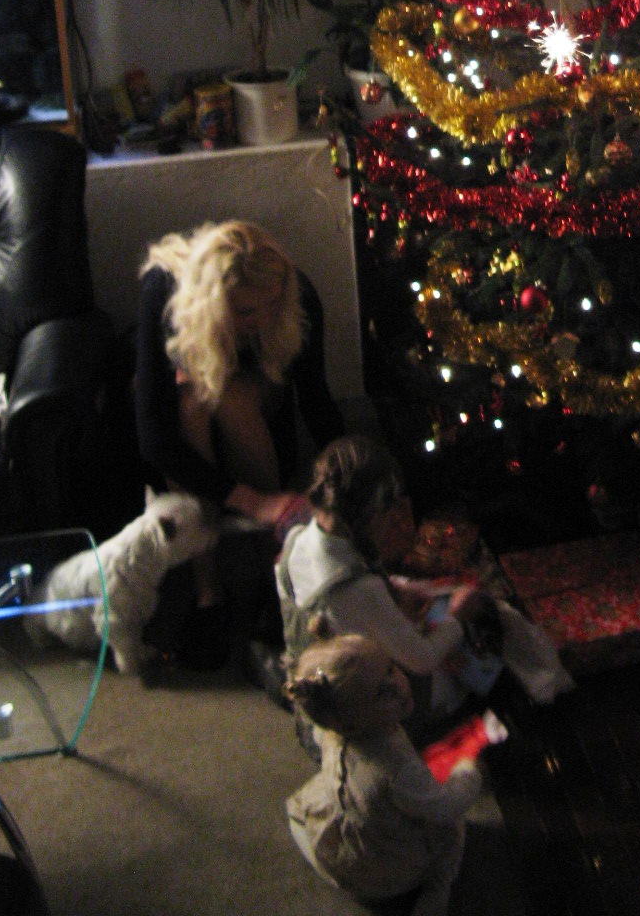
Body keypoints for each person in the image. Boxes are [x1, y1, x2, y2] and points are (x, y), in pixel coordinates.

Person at [134, 220, 346, 662]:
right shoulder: (164, 293)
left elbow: (316, 401)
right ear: (211, 304)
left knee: (230, 397)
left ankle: (276, 571)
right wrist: (250, 500)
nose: (263, 320)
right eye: (247, 312)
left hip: (258, 422)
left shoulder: (297, 296)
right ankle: (207, 589)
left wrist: (351, 473)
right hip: (190, 434)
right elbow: (154, 439)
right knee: (192, 397)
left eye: (272, 304)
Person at [276, 434, 573, 739]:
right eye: (388, 514)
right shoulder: (356, 589)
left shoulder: (298, 540)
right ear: (371, 515)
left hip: (322, 685)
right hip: (365, 708)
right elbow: (422, 659)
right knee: (482, 652)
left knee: (438, 618)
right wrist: (458, 615)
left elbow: (351, 607)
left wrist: (395, 590)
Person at [285, 632, 490, 915]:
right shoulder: (397, 768)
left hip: (356, 824)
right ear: (349, 724)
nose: (398, 686)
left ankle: (334, 859)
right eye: (381, 693)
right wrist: (469, 770)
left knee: (304, 807)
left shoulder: (331, 731)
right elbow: (446, 806)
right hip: (392, 868)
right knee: (453, 831)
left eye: (391, 669)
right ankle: (436, 891)